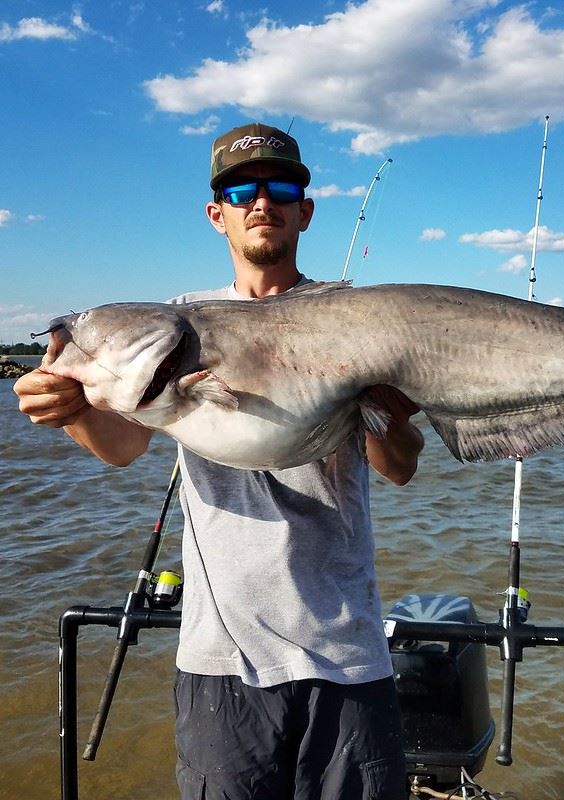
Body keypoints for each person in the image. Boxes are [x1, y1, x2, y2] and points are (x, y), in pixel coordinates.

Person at [14, 123, 424, 800]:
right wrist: (76, 413)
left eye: (281, 187)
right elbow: (124, 445)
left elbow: (401, 467)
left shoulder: (355, 318)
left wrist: (379, 408)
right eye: (240, 190)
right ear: (218, 213)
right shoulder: (176, 323)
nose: (260, 202)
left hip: (348, 651)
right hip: (222, 656)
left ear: (304, 209)